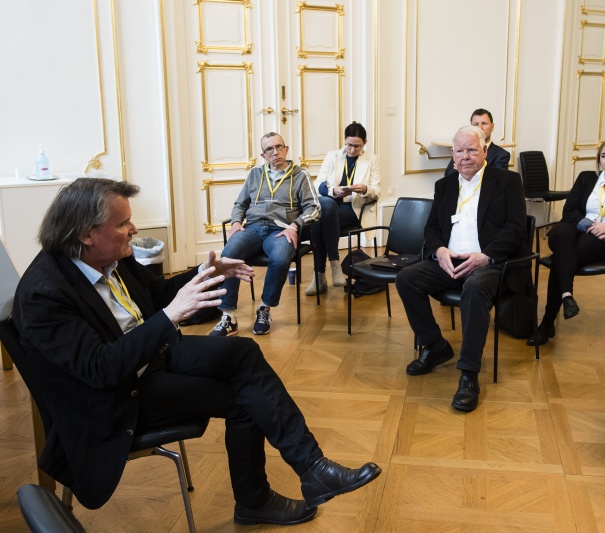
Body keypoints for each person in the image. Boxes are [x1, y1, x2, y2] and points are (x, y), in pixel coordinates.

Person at [13, 178, 380, 525]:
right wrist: (171, 316)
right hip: (116, 395)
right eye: (123, 223)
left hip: (148, 357)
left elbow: (154, 294)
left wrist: (207, 272)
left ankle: (314, 469)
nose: (134, 229)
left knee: (243, 353)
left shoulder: (108, 255)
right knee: (246, 399)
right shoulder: (44, 294)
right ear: (85, 234)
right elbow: (101, 369)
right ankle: (256, 501)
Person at [396, 125, 528, 412]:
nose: (465, 156)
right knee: (406, 278)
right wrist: (439, 251)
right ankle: (435, 346)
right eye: (459, 151)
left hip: (490, 263)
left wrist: (486, 256)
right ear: (452, 155)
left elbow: (516, 228)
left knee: (475, 287)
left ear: (485, 151)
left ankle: (468, 374)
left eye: (471, 149)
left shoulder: (507, 181)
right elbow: (431, 229)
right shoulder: (444, 185)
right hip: (450, 261)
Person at [529, 138, 605, 345]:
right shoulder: (586, 178)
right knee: (560, 232)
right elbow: (569, 209)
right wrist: (591, 225)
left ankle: (548, 322)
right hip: (579, 228)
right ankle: (566, 297)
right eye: (603, 156)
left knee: (562, 257)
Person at [211, 132, 320, 336]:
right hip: (252, 228)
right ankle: (228, 316)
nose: (275, 152)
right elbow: (240, 204)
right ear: (263, 155)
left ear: (286, 149)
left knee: (280, 258)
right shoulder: (255, 174)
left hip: (281, 229)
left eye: (279, 147)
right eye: (269, 149)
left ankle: (264, 309)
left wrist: (295, 225)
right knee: (228, 254)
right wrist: (236, 222)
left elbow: (314, 208)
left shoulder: (300, 175)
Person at [306, 122, 381, 295]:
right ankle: (334, 264)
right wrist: (333, 190)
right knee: (326, 208)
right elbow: (318, 185)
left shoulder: (372, 159)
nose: (352, 150)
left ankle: (319, 276)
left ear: (365, 143)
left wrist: (365, 189)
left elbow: (377, 191)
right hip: (331, 205)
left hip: (354, 208)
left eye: (357, 146)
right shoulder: (332, 156)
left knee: (318, 219)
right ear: (344, 140)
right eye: (349, 145)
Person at [444, 109, 510, 174]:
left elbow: (499, 178)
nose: (480, 128)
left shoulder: (502, 154)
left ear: (492, 127)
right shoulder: (461, 149)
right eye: (475, 124)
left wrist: (463, 169)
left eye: (484, 123)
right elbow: (448, 174)